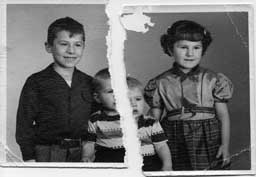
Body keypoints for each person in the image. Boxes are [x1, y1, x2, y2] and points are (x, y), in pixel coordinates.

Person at [144, 20, 233, 170]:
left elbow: (223, 116)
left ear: (202, 49)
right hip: (172, 136)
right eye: (183, 47)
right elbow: (153, 120)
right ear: (170, 49)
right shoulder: (160, 82)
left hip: (208, 136)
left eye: (196, 47)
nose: (190, 53)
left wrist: (225, 146)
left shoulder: (214, 79)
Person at [16, 17, 95, 162]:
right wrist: (29, 158)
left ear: (84, 47)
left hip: (83, 153)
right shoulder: (36, 82)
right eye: (64, 44)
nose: (71, 51)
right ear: (49, 46)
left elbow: (98, 119)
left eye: (77, 45)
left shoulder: (89, 82)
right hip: (46, 153)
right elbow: (24, 125)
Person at [82, 68, 172, 171]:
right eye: (111, 91)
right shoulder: (96, 119)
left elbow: (161, 146)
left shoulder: (149, 122)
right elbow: (89, 143)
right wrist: (86, 157)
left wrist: (167, 165)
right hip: (110, 167)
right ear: (97, 98)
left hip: (145, 165)